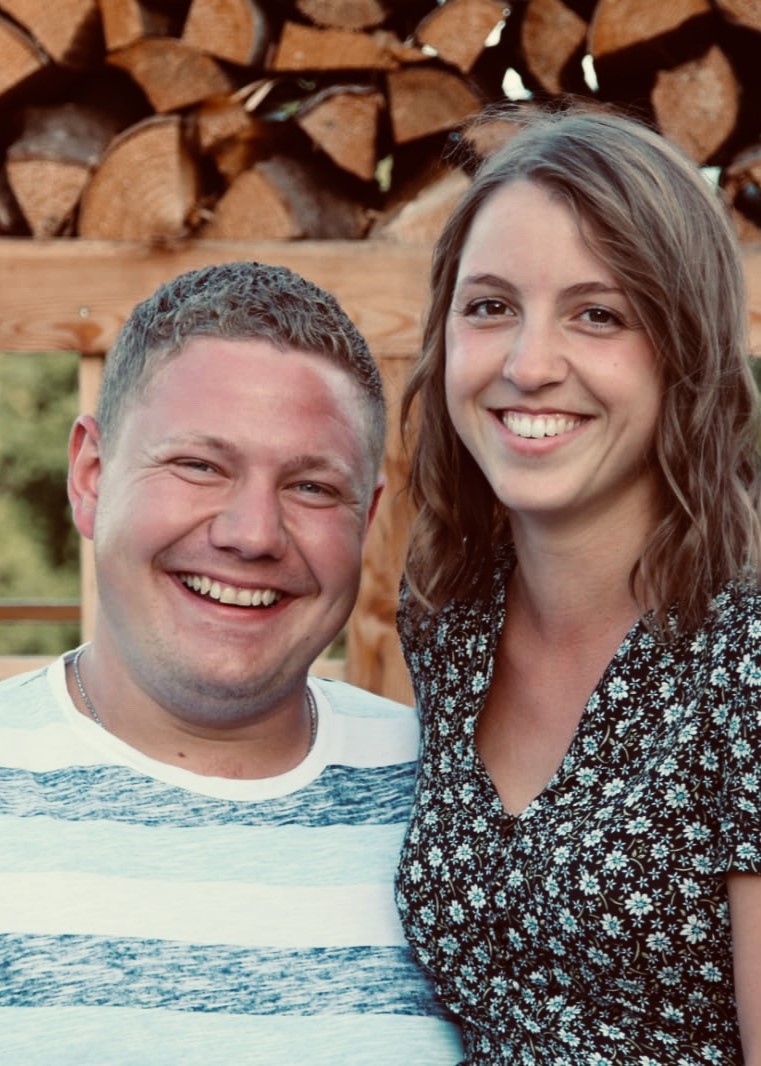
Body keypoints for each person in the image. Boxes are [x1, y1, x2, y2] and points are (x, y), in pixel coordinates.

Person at [0, 261, 463, 1064]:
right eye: (199, 466)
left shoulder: (459, 808)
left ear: (366, 519)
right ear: (91, 477)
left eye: (311, 487)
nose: (252, 534)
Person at [394, 105, 761, 1064]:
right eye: (489, 307)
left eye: (597, 314)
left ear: (685, 350)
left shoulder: (747, 655)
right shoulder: (448, 621)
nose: (528, 366)